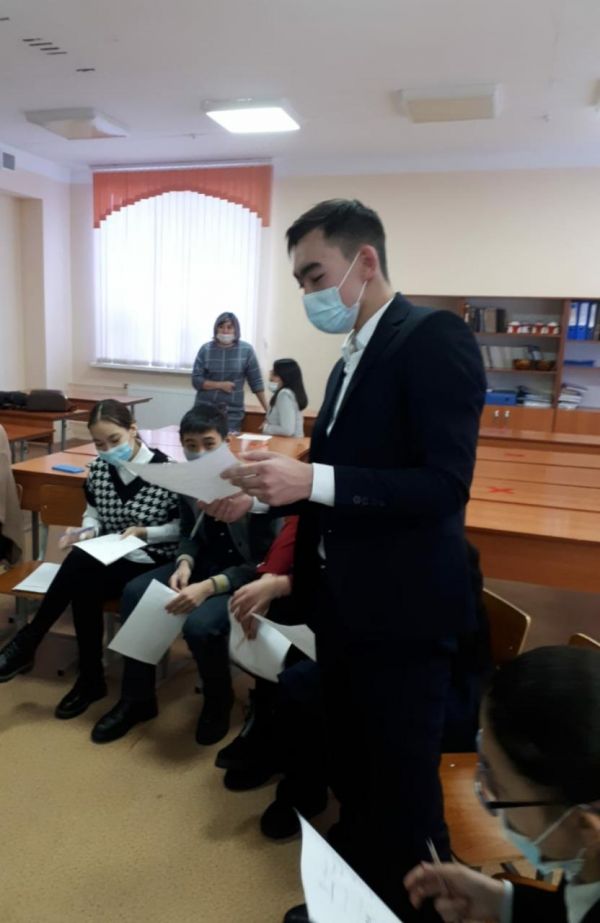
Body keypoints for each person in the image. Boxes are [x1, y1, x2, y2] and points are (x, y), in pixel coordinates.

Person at [219, 198, 487, 922]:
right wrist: (261, 496)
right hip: (344, 608)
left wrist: (310, 478)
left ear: (365, 261)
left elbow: (443, 484)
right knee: (356, 774)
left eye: (316, 275)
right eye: (300, 282)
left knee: (403, 794)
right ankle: (358, 901)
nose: (309, 295)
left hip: (404, 616)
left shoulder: (433, 337)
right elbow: (330, 479)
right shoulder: (346, 362)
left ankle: (416, 909)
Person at [91, 404, 281, 746]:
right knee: (135, 591)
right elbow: (189, 534)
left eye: (209, 443)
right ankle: (137, 698)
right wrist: (184, 563)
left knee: (200, 625)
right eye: (191, 445)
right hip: (202, 566)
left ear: (226, 442)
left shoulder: (255, 488)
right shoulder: (188, 482)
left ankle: (218, 700)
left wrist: (209, 587)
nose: (200, 452)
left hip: (241, 576)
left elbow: (264, 561)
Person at [0, 400, 180, 719]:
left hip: (151, 559)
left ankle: (39, 645)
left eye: (114, 440)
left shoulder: (168, 472)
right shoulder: (99, 469)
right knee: (82, 578)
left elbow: (182, 528)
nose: (107, 450)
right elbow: (93, 512)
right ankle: (88, 677)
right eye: (99, 444)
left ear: (133, 430)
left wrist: (146, 533)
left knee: (80, 572)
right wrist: (86, 531)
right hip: (110, 555)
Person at [405, 645, 600, 923]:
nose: (485, 790)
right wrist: (499, 900)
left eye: (499, 790)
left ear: (586, 826)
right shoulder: (587, 860)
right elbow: (569, 910)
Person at [191, 312, 268, 433]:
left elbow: (256, 382)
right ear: (216, 329)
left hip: (232, 412)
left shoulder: (246, 350)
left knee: (229, 443)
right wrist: (220, 385)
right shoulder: (205, 349)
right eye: (221, 327)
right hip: (204, 410)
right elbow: (196, 380)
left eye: (229, 327)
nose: (225, 331)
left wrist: (267, 410)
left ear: (236, 330)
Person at [262, 358, 308, 437]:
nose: (271, 378)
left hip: (287, 443)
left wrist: (266, 428)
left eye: (274, 375)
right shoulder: (287, 393)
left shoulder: (284, 395)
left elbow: (287, 430)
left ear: (284, 376)